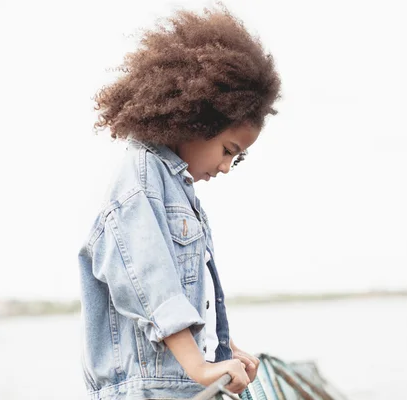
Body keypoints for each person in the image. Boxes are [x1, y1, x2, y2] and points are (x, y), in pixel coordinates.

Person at [77, 5, 281, 399]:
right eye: (227, 150)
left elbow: (188, 294)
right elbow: (151, 284)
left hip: (177, 385)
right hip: (148, 391)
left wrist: (223, 350)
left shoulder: (177, 189)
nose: (225, 167)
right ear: (197, 118)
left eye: (236, 160)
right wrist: (199, 366)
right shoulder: (141, 181)